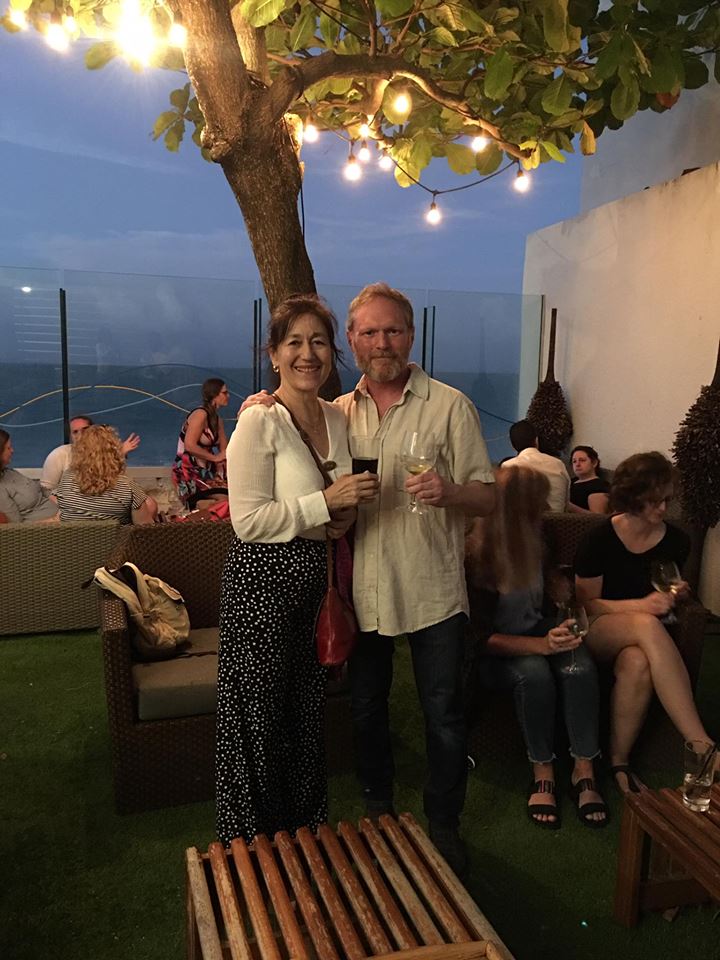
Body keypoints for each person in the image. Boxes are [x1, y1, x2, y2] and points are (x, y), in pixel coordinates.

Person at [240, 282, 495, 874]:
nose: (382, 343)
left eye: (393, 330)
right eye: (370, 332)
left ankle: (444, 822)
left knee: (443, 714)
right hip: (362, 591)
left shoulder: (451, 406)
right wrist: (264, 403)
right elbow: (292, 430)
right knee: (365, 709)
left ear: (411, 335)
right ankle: (379, 811)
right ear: (352, 342)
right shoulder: (336, 411)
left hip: (432, 589)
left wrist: (450, 491)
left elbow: (487, 497)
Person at [216, 295, 378, 847]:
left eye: (318, 342)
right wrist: (325, 504)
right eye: (294, 342)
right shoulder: (258, 420)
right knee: (258, 718)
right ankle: (251, 846)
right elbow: (247, 521)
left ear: (332, 352)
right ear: (274, 354)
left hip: (315, 578)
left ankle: (304, 835)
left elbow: (337, 501)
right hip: (262, 581)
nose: (307, 354)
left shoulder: (337, 416)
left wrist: (341, 515)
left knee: (305, 713)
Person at [466, 466, 607, 829]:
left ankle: (583, 768)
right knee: (534, 674)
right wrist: (541, 645)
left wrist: (559, 592)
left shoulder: (540, 535)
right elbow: (477, 640)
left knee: (579, 664)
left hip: (535, 629)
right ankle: (542, 771)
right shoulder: (477, 554)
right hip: (496, 651)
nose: (545, 509)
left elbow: (551, 584)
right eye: (537, 503)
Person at [575, 451, 716, 794]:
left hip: (644, 641)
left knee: (637, 662)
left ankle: (618, 762)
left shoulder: (677, 541)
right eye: (655, 501)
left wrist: (677, 592)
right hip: (598, 627)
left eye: (667, 499)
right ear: (632, 496)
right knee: (646, 624)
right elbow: (585, 605)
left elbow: (667, 586)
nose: (664, 508)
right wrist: (641, 606)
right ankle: (702, 745)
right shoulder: (599, 538)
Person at [55, 425, 157, 524]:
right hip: (116, 536)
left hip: (74, 535)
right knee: (150, 505)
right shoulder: (127, 486)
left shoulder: (67, 478)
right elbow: (144, 528)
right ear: (114, 451)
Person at [40, 415, 141, 494]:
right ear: (71, 436)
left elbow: (110, 481)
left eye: (85, 429)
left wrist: (120, 454)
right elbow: (46, 490)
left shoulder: (103, 453)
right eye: (75, 432)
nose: (81, 435)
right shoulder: (58, 455)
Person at [172, 379, 230, 508]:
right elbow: (190, 445)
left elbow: (224, 450)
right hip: (189, 470)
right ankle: (199, 508)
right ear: (214, 395)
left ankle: (205, 508)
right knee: (224, 501)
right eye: (224, 393)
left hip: (207, 470)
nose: (228, 396)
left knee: (233, 496)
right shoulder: (200, 414)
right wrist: (214, 458)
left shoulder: (218, 420)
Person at [501, 419, 569, 512]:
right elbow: (566, 503)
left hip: (522, 521)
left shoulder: (508, 466)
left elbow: (504, 506)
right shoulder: (558, 464)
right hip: (559, 520)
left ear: (512, 446)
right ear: (536, 440)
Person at [0, 430, 59, 523]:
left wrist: (61, 502)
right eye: (8, 448)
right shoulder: (2, 489)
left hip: (62, 513)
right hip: (52, 527)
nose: (12, 450)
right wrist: (54, 520)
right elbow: (16, 527)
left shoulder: (9, 473)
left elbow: (40, 489)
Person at [568, 445, 610, 514]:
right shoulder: (570, 481)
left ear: (594, 463)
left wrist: (569, 506)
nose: (577, 464)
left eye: (582, 460)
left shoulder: (599, 486)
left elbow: (597, 517)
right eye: (574, 461)